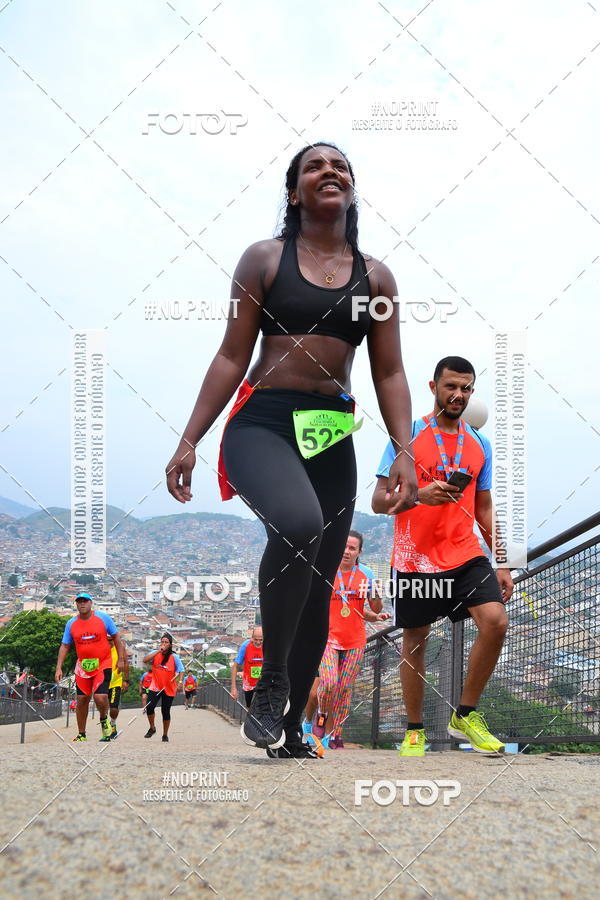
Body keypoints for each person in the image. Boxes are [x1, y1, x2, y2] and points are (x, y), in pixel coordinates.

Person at [166, 142, 416, 759]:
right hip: (266, 422)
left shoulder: (376, 276)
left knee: (320, 578)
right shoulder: (264, 260)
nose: (329, 172)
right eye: (314, 166)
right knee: (300, 523)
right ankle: (272, 679)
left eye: (341, 167)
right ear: (294, 192)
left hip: (331, 431)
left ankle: (291, 732)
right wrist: (190, 438)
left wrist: (404, 449)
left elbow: (389, 372)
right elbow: (231, 354)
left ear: (351, 192)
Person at [372, 356, 513, 756]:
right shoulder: (407, 436)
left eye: (466, 388)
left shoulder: (479, 443)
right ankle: (415, 730)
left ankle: (465, 715)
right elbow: (379, 502)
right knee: (415, 641)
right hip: (416, 558)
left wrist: (501, 560)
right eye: (451, 386)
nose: (459, 395)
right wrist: (418, 495)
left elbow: (484, 509)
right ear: (433, 387)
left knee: (495, 622)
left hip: (465, 552)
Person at [312, 530, 390, 749]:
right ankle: (321, 715)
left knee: (345, 688)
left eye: (352, 548)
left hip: (355, 639)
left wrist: (376, 611)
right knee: (329, 683)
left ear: (359, 552)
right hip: (327, 637)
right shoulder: (326, 570)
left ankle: (337, 733)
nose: (346, 552)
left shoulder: (366, 574)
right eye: (343, 547)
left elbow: (368, 608)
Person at [54, 592, 125, 742]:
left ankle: (104, 718)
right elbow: (65, 645)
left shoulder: (103, 618)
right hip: (83, 666)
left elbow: (117, 637)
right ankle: (82, 734)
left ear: (91, 603)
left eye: (85, 601)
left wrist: (120, 659)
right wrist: (58, 668)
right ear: (76, 604)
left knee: (100, 697)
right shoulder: (71, 623)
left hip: (103, 663)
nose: (82, 604)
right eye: (79, 601)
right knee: (82, 699)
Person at [143, 634, 184, 742]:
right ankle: (152, 728)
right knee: (150, 707)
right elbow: (145, 660)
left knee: (165, 711)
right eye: (162, 642)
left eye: (166, 642)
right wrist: (158, 651)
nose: (164, 644)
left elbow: (181, 670)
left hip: (169, 688)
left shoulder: (174, 657)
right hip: (155, 686)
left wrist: (180, 682)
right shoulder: (155, 653)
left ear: (170, 645)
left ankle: (165, 734)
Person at [231, 627, 263, 708]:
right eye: (256, 639)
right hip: (249, 683)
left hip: (263, 682)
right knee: (249, 706)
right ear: (252, 637)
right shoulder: (246, 645)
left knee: (262, 707)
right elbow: (235, 666)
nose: (258, 642)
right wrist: (233, 688)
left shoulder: (268, 646)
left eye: (261, 640)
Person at [107, 635, 129, 740]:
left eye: (111, 640)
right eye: (107, 640)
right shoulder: (101, 648)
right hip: (102, 682)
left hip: (116, 682)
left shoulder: (120, 648)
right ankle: (105, 726)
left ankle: (113, 726)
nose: (109, 642)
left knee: (113, 708)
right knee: (102, 706)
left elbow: (125, 663)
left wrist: (126, 680)